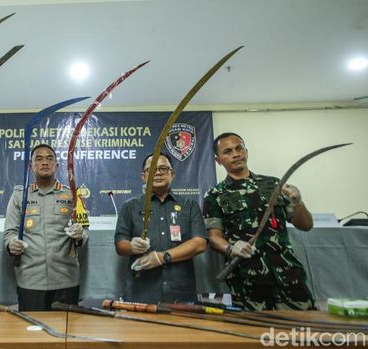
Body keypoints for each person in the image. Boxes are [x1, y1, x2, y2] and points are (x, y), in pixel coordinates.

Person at [203, 132, 315, 311]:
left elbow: (306, 225)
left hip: (287, 274)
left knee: (303, 332)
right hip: (247, 279)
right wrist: (231, 248)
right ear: (218, 160)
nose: (236, 154)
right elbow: (213, 237)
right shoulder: (214, 195)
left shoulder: (274, 185)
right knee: (254, 335)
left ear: (246, 151)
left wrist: (298, 202)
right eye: (228, 151)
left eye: (239, 148)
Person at [114, 153, 208, 304]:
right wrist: (131, 246)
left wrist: (162, 257)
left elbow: (200, 243)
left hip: (181, 293)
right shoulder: (130, 206)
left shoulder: (189, 206)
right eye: (150, 170)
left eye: (163, 169)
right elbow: (120, 245)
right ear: (143, 176)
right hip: (141, 291)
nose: (157, 173)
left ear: (173, 174)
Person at [4, 144, 88, 311]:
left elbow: (84, 230)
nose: (45, 162)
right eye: (39, 159)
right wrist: (11, 243)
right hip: (30, 280)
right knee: (32, 333)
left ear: (57, 165)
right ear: (31, 166)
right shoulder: (20, 196)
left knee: (65, 332)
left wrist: (80, 234)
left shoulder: (72, 195)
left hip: (66, 279)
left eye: (50, 158)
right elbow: (9, 232)